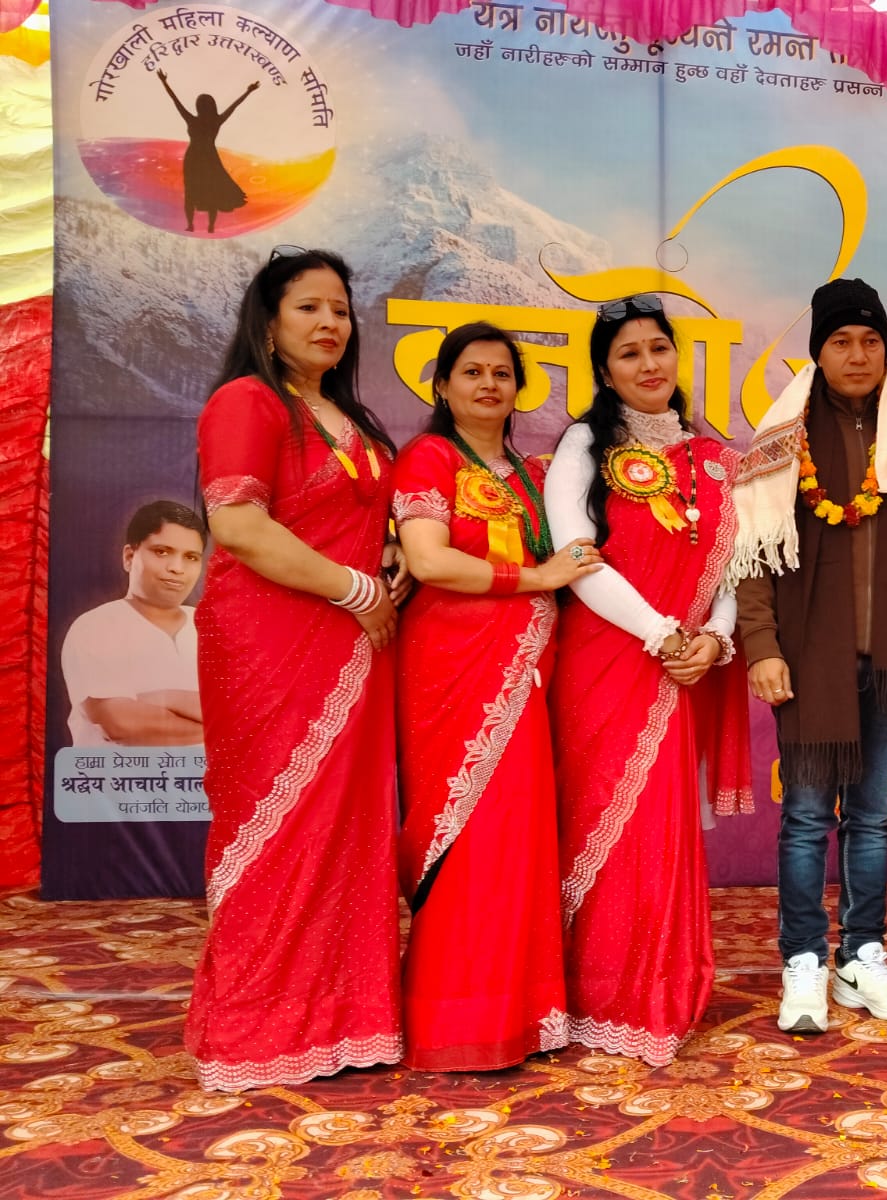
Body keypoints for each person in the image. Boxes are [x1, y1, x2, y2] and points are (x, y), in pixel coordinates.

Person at [187, 248, 407, 1091]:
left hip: (357, 642)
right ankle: (258, 1028)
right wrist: (355, 587)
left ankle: (348, 1020)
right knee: (279, 825)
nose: (329, 322)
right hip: (271, 642)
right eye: (309, 307)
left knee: (349, 827)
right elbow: (239, 526)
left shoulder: (350, 416)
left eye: (340, 310)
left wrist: (391, 564)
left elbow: (369, 519)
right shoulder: (247, 401)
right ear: (269, 322)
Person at [732, 278, 887, 1034]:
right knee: (804, 818)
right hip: (807, 660)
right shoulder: (783, 439)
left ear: (886, 349)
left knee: (873, 820)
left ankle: (861, 957)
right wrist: (760, 645)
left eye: (870, 340)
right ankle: (802, 960)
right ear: (818, 354)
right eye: (840, 341)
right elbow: (754, 552)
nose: (857, 354)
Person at [546, 294, 751, 1066]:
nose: (648, 364)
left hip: (682, 666)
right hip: (607, 661)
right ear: (606, 371)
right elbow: (576, 555)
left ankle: (659, 992)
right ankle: (597, 995)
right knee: (605, 822)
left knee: (661, 830)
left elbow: (736, 567)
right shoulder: (583, 445)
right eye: (628, 353)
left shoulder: (716, 460)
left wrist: (716, 638)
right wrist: (662, 632)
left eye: (658, 348)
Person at [393, 321, 603, 1071]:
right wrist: (538, 578)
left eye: (502, 373)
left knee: (517, 838)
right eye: (472, 372)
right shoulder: (430, 457)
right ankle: (454, 1022)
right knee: (467, 836)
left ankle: (519, 1016)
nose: (489, 384)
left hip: (529, 672)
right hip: (454, 671)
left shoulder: (528, 473)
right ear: (442, 385)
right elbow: (428, 560)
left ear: (519, 389)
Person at [61, 500, 206, 746]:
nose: (177, 568)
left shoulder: (213, 628)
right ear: (129, 557)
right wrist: (224, 730)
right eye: (162, 552)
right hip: (122, 772)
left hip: (206, 772)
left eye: (191, 557)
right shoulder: (97, 627)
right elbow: (121, 724)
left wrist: (163, 697)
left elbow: (250, 711)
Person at [156, 70, 257, 234]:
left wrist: (164, 82)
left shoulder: (192, 120)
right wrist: (248, 91)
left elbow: (175, 100)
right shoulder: (217, 121)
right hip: (209, 157)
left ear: (198, 107)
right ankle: (210, 226)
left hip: (194, 158)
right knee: (212, 191)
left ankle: (191, 225)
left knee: (191, 191)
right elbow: (234, 106)